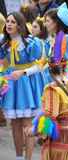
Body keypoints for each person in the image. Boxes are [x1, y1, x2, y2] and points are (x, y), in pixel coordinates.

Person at [27, 31, 68, 160]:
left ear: (50, 71)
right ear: (66, 69)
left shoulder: (51, 88)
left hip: (61, 136)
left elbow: (50, 115)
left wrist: (34, 130)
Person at [0, 11, 44, 160]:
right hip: (12, 82)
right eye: (7, 21)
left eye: (12, 22)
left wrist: (23, 72)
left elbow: (39, 66)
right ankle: (19, 157)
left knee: (27, 122)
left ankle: (28, 158)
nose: (9, 24)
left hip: (28, 82)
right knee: (15, 123)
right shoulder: (3, 42)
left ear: (19, 24)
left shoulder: (32, 42)